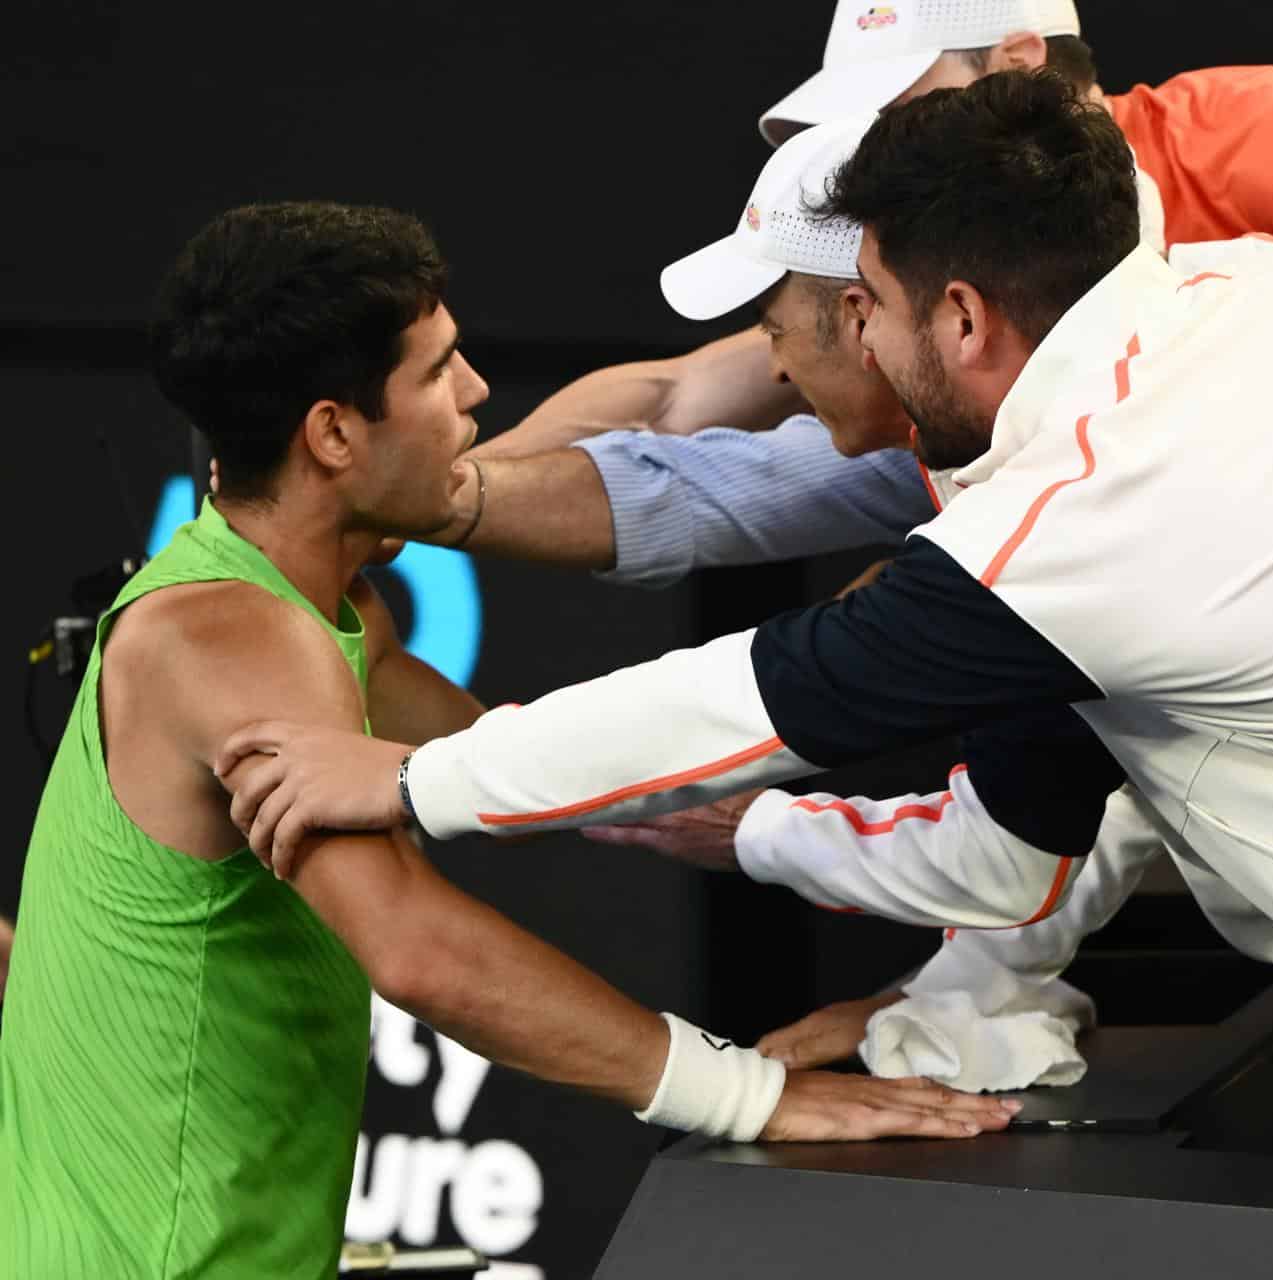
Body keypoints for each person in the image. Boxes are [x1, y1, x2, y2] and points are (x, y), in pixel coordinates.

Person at [219, 74, 1273, 1212]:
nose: (854, 356)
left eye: (868, 306)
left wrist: (421, 777)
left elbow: (751, 697)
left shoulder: (1075, 519)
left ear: (963, 315)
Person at [0, 202, 1013, 1280]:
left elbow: (506, 766)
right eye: (439, 372)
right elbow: (420, 952)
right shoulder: (228, 638)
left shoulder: (324, 609)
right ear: (335, 433)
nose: (479, 392)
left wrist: (771, 848)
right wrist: (754, 1094)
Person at [405, 0, 1273, 595]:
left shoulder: (1243, 127)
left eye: (903, 102)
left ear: (1018, 60)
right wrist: (407, 515)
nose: (875, 153)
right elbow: (684, 394)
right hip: (1190, 542)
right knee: (890, 470)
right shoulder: (926, 262)